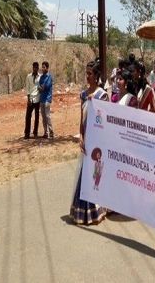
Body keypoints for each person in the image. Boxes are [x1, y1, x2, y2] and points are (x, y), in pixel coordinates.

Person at [70, 60, 108, 224]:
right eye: (86, 73)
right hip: (87, 141)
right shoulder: (84, 95)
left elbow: (105, 121)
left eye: (90, 74)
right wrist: (81, 136)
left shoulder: (102, 95)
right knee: (84, 175)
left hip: (98, 141)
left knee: (96, 175)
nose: (87, 77)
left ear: (97, 76)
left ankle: (97, 210)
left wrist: (96, 103)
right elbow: (81, 118)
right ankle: (82, 211)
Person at [24, 62, 41, 139]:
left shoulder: (40, 77)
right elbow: (27, 88)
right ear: (32, 68)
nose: (35, 69)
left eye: (37, 67)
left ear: (38, 68)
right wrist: (28, 99)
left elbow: (40, 87)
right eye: (34, 67)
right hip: (31, 99)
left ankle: (35, 132)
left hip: (37, 99)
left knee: (37, 116)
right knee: (28, 117)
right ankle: (27, 133)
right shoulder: (28, 76)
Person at [38, 61, 54, 138]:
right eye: (42, 67)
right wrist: (41, 88)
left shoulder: (49, 77)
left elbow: (45, 87)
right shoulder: (41, 77)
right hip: (42, 99)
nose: (42, 68)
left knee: (47, 116)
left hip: (47, 99)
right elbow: (39, 88)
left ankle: (51, 131)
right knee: (43, 117)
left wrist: (41, 88)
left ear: (47, 68)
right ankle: (45, 132)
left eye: (44, 67)